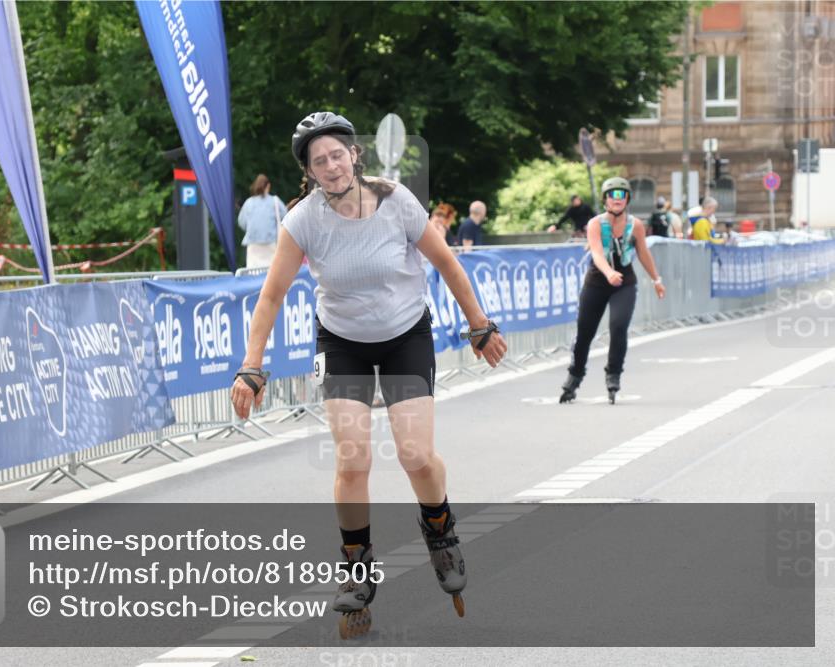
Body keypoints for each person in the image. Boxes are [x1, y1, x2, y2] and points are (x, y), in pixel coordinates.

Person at [230, 111, 506, 637]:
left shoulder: (397, 200)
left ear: (355, 155)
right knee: (352, 459)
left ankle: (440, 529)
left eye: (338, 154)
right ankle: (356, 568)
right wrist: (251, 366)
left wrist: (479, 326)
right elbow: (271, 296)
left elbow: (447, 263)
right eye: (319, 161)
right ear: (308, 173)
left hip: (405, 335)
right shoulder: (303, 221)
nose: (331, 165)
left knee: (415, 454)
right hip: (342, 344)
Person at [559, 177, 666, 405]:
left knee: (618, 326)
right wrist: (608, 273)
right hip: (598, 281)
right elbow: (597, 253)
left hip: (625, 282)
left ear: (627, 199)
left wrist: (657, 279)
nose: (616, 199)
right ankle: (575, 375)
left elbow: (644, 254)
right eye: (612, 195)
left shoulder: (635, 225)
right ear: (605, 199)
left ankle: (613, 374)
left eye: (621, 195)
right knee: (585, 332)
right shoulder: (595, 224)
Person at [237, 174, 288, 269]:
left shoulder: (249, 202)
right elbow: (286, 218)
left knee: (253, 273)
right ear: (268, 186)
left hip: (253, 244)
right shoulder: (275, 201)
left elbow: (241, 222)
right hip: (271, 243)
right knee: (271, 272)